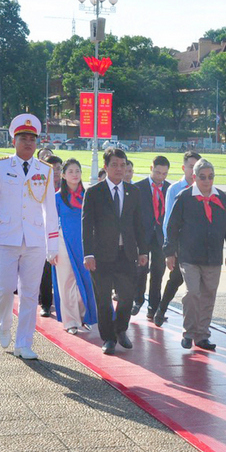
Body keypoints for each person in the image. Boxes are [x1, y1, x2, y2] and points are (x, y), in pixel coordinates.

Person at [0, 113, 58, 360]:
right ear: (14, 140)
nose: (28, 143)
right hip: (7, 236)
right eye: (23, 138)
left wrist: (52, 243)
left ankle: (24, 342)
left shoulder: (44, 169)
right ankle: (4, 324)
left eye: (32, 139)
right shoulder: (0, 166)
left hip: (34, 239)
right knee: (4, 289)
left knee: (30, 293)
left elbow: (50, 208)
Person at [164, 159, 226, 350]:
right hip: (189, 256)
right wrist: (169, 252)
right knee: (192, 293)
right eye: (202, 177)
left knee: (208, 295)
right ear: (194, 177)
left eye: (210, 177)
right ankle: (188, 332)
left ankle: (202, 335)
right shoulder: (184, 197)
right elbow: (172, 227)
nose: (207, 181)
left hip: (213, 256)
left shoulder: (221, 197)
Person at [82, 147, 148, 355]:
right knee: (103, 298)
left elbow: (140, 224)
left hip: (127, 254)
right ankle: (108, 338)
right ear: (106, 167)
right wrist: (88, 254)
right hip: (101, 256)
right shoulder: (94, 192)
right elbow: (87, 225)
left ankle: (121, 329)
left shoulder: (134, 192)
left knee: (127, 296)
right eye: (114, 165)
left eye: (123, 165)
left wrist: (143, 251)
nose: (119, 169)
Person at [154, 151, 200, 327]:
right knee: (176, 279)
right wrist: (169, 249)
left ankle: (196, 324)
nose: (193, 171)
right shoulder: (175, 189)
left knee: (199, 284)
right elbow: (168, 221)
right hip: (181, 244)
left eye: (196, 167)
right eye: (190, 167)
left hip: (199, 245)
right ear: (183, 168)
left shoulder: (205, 188)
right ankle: (161, 310)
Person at [52, 159, 98, 334]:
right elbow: (50, 224)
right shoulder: (57, 197)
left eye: (77, 170)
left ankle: (85, 316)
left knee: (86, 281)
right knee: (66, 281)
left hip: (85, 243)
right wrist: (51, 248)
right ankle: (71, 321)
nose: (75, 174)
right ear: (63, 175)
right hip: (63, 241)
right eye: (70, 171)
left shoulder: (88, 195)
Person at [132, 155, 170, 320]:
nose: (160, 177)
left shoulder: (170, 188)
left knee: (158, 271)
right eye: (157, 172)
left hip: (161, 236)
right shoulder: (138, 188)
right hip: (143, 234)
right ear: (151, 168)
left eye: (164, 173)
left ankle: (153, 306)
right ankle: (138, 299)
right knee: (141, 269)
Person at [39, 154, 63, 317]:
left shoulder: (67, 187)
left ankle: (65, 305)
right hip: (43, 236)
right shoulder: (39, 187)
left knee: (63, 272)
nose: (56, 172)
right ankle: (46, 304)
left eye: (59, 169)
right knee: (45, 271)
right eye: (53, 169)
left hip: (63, 236)